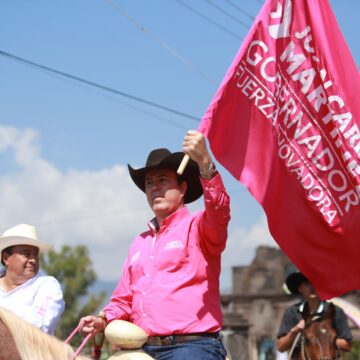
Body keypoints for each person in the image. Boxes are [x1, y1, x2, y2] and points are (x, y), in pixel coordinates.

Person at [79, 130, 231, 359]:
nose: (154, 187)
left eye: (162, 180)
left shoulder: (198, 226)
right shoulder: (139, 243)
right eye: (149, 183)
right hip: (141, 349)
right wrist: (102, 320)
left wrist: (205, 163)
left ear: (182, 188)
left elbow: (219, 210)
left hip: (191, 346)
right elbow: (123, 300)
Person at [0, 223, 65, 335]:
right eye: (26, 254)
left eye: (35, 254)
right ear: (6, 258)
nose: (33, 260)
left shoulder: (47, 285)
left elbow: (40, 328)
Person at [276, 271, 352, 358]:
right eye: (307, 284)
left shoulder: (335, 311)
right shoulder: (292, 312)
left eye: (315, 283)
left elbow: (347, 345)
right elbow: (281, 347)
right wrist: (295, 330)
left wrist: (325, 338)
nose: (312, 287)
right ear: (300, 289)